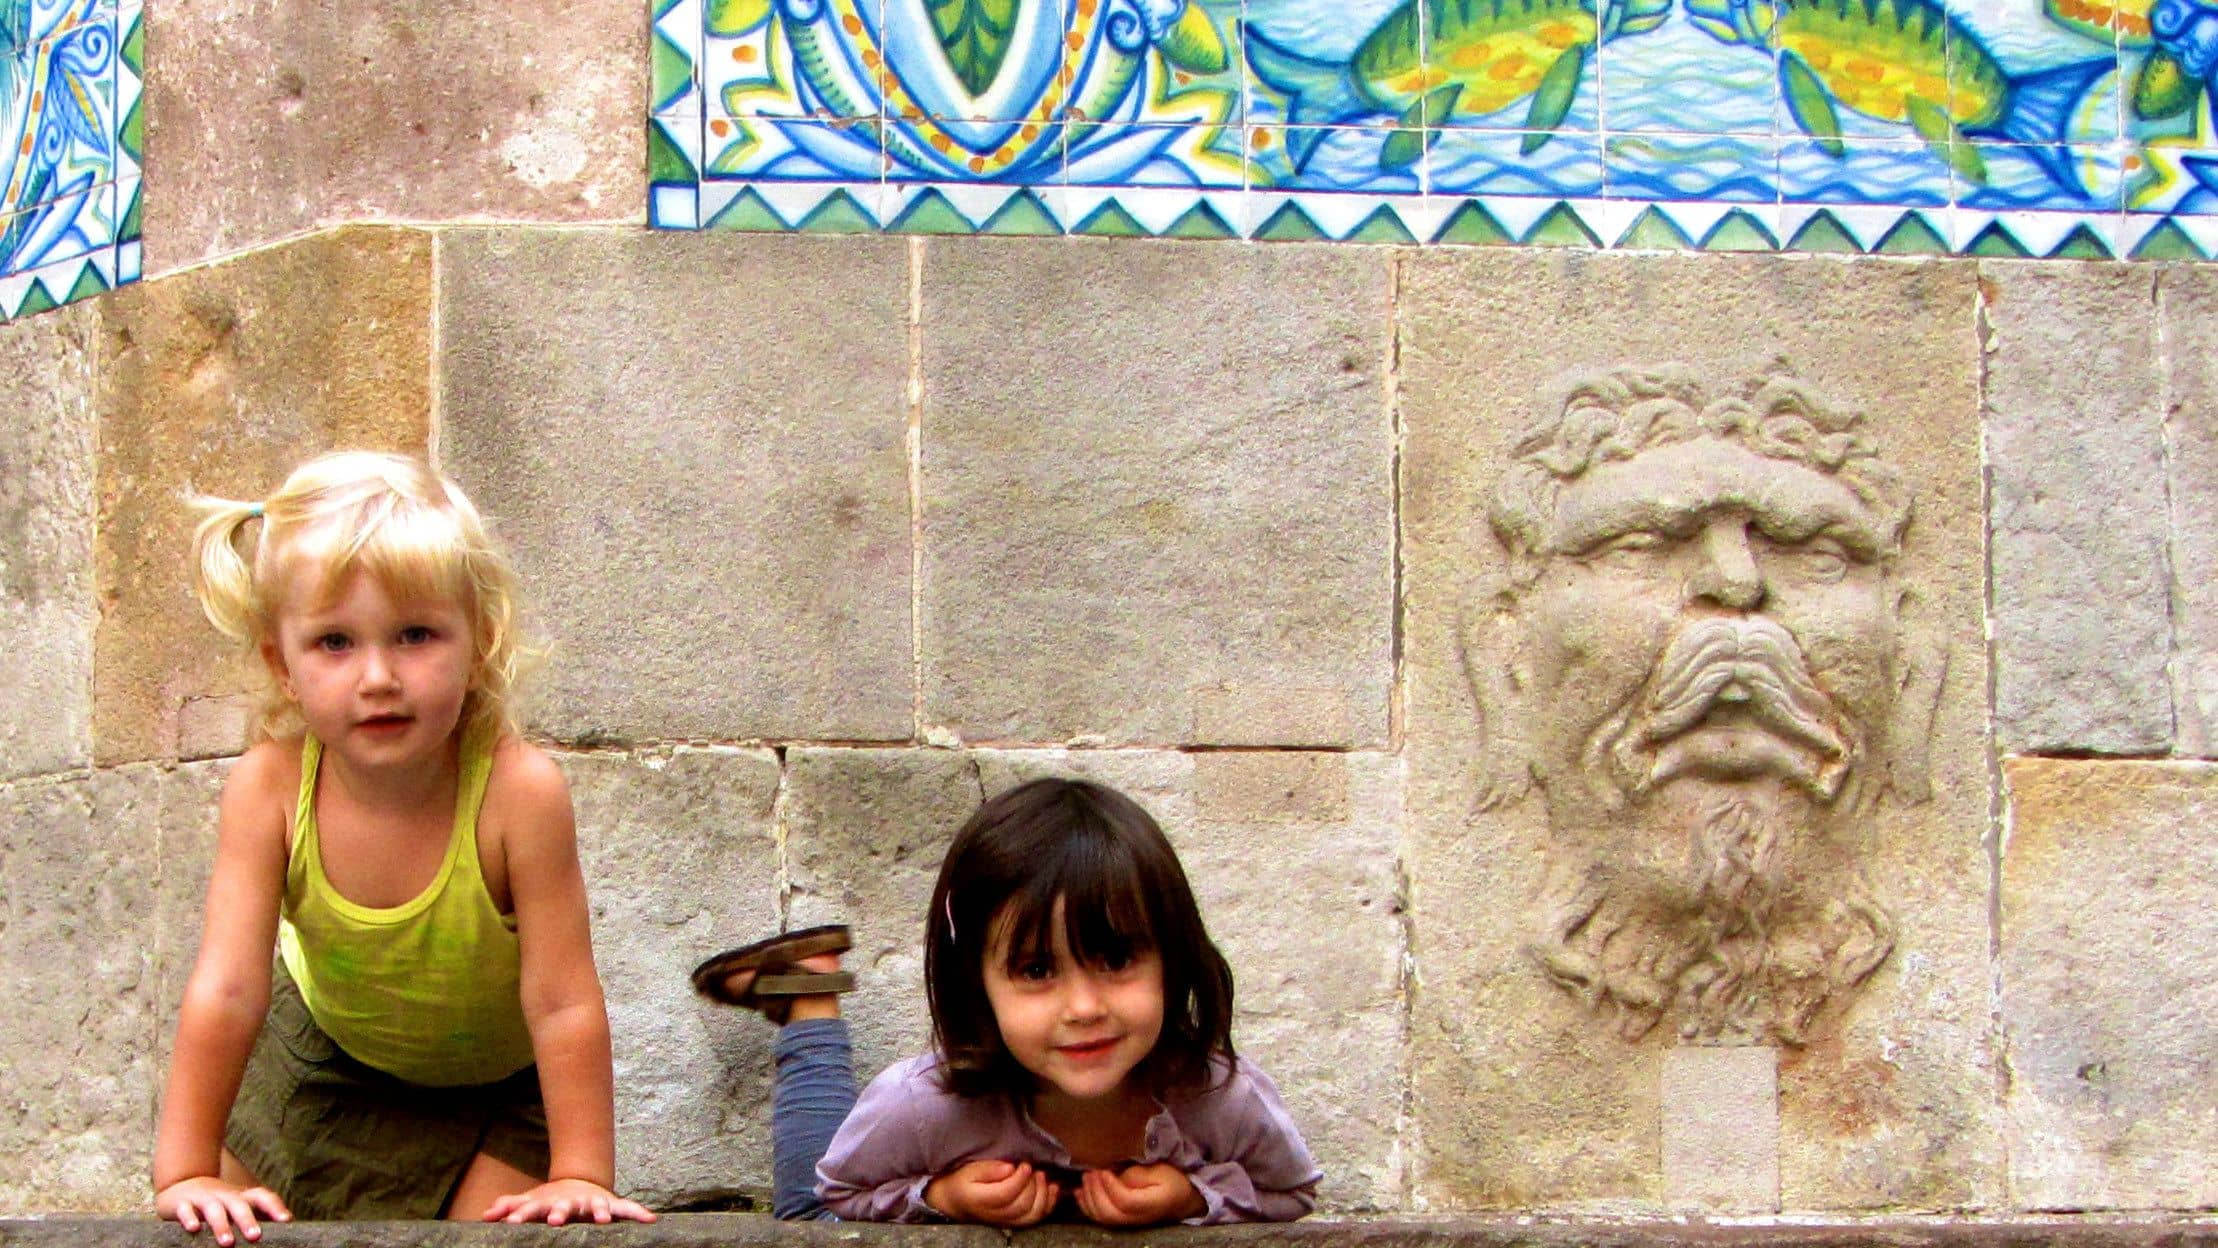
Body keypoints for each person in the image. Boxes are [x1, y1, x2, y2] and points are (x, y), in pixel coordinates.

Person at [152, 451, 656, 1242]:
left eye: (415, 634)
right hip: (325, 1049)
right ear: (280, 665)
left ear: (479, 639)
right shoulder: (270, 789)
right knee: (226, 1223)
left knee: (499, 1236)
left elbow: (561, 1001)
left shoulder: (517, 794)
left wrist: (582, 1173)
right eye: (334, 643)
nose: (379, 676)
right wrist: (184, 1170)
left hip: (498, 1083)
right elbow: (228, 989)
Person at [694, 777, 1319, 1225]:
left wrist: (1195, 1195)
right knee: (803, 1212)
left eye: (1117, 958)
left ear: (1173, 957)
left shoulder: (1224, 1099)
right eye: (1037, 968)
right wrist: (940, 1198)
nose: (1083, 1006)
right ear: (978, 986)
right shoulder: (920, 1103)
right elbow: (838, 1193)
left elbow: (1291, 1192)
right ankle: (810, 996)